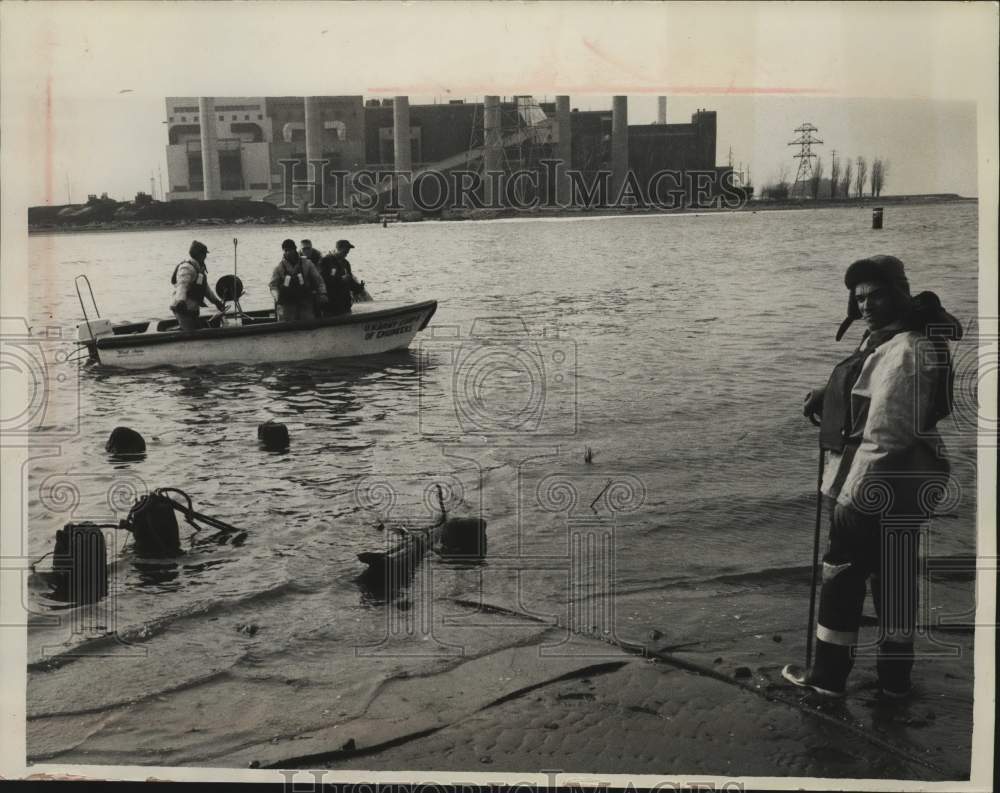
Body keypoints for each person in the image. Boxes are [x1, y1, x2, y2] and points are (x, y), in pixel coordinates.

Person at [783, 255, 963, 699]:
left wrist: (851, 497)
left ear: (899, 294)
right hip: (910, 480)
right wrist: (831, 391)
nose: (864, 304)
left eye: (875, 294)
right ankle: (895, 680)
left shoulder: (907, 351)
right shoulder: (892, 341)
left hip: (881, 482)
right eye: (858, 297)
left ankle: (826, 678)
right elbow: (870, 380)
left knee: (842, 572)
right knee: (894, 574)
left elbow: (885, 434)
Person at [170, 240, 226, 331]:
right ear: (199, 255)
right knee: (190, 333)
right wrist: (181, 301)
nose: (205, 256)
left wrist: (216, 302)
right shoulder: (186, 268)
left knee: (195, 327)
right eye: (204, 254)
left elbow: (205, 289)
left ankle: (182, 327)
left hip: (192, 309)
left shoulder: (198, 269)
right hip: (183, 309)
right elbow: (182, 286)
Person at [269, 238, 327, 321]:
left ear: (295, 249)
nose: (288, 252)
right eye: (286, 250)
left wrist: (323, 293)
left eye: (290, 250)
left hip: (305, 299)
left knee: (308, 321)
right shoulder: (279, 268)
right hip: (287, 302)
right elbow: (272, 285)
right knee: (286, 323)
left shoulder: (307, 263)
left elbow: (319, 280)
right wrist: (276, 296)